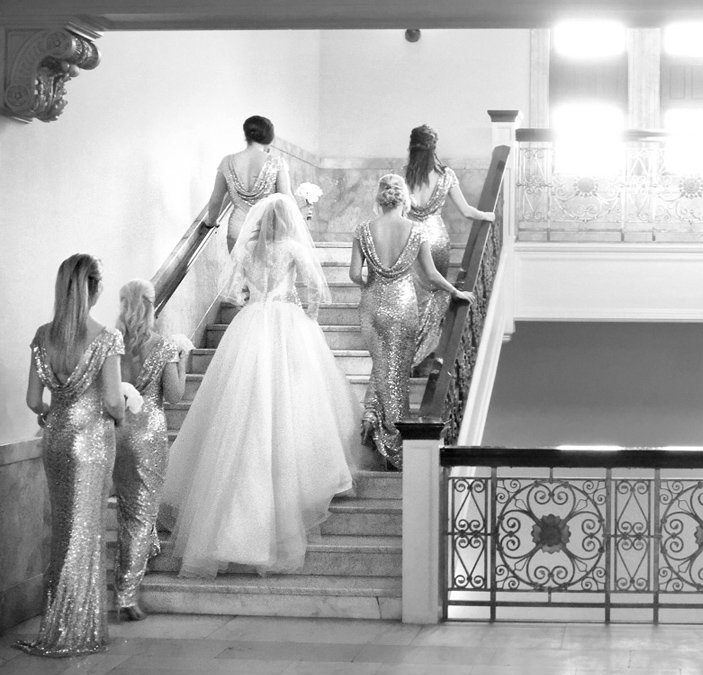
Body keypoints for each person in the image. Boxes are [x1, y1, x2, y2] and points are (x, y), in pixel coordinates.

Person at [162, 194, 358, 578]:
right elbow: (314, 287)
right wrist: (309, 315)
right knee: (290, 402)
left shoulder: (248, 248)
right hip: (285, 321)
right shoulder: (293, 247)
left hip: (250, 324)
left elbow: (232, 292)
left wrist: (255, 299)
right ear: (288, 220)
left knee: (241, 405)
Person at [17, 254, 125, 657]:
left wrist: (57, 414)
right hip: (93, 442)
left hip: (57, 441)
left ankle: (60, 623)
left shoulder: (44, 335)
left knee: (64, 531)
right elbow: (114, 400)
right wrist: (117, 415)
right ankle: (75, 630)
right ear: (94, 289)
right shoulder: (105, 337)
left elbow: (33, 400)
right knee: (85, 532)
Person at [349, 174, 473, 470]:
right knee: (397, 374)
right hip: (403, 305)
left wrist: (370, 284)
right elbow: (430, 275)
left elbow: (355, 274)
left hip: (372, 304)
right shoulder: (416, 230)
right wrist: (455, 291)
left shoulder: (363, 230)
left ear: (380, 197)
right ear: (404, 198)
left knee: (381, 366)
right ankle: (397, 445)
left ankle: (375, 425)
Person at [113, 279, 188, 621]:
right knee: (142, 514)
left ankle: (147, 549)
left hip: (117, 434)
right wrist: (183, 359)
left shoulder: (111, 345)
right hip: (149, 436)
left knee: (128, 509)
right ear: (149, 305)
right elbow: (174, 396)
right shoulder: (162, 346)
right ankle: (127, 595)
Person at [405, 124, 494, 366]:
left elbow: (399, 213)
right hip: (437, 239)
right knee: (435, 294)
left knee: (414, 296)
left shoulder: (405, 176)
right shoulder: (446, 175)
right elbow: (466, 211)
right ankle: (424, 352)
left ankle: (409, 354)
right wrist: (486, 215)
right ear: (435, 146)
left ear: (411, 147)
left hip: (412, 238)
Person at [204, 115, 292, 251]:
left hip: (238, 228)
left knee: (238, 271)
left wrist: (211, 222)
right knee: (263, 272)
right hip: (266, 228)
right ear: (269, 137)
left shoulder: (227, 162)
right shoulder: (276, 162)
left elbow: (216, 200)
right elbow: (285, 199)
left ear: (247, 135)